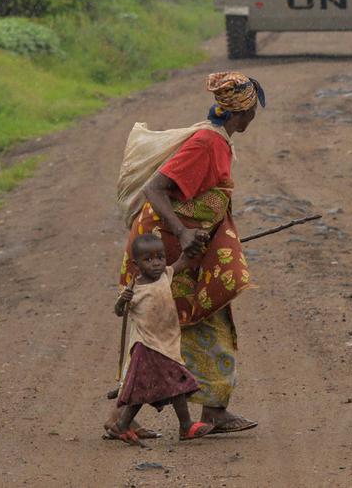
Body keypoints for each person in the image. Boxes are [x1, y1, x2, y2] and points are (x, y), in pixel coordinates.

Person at [108, 72, 265, 439]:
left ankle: (207, 410)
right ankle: (203, 412)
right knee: (164, 331)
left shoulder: (218, 142)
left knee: (174, 328)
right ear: (245, 112)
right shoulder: (206, 144)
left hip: (180, 251)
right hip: (163, 253)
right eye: (255, 108)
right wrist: (181, 231)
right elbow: (155, 189)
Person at [107, 233, 214, 446]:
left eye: (160, 257)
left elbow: (184, 260)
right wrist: (122, 301)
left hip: (166, 344)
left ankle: (122, 425)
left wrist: (199, 241)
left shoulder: (166, 274)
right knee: (176, 384)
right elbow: (119, 312)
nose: (156, 264)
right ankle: (186, 426)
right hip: (148, 346)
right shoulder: (134, 290)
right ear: (136, 265)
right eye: (148, 260)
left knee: (143, 390)